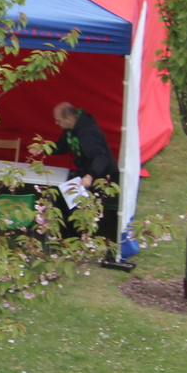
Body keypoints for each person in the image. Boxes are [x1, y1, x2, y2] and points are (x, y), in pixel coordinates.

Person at [52, 102, 131, 269]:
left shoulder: (87, 133)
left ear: (69, 118)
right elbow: (63, 146)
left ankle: (74, 240)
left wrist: (90, 176)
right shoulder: (70, 129)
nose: (56, 123)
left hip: (103, 177)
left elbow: (101, 158)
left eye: (58, 120)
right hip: (86, 172)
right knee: (60, 195)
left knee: (69, 200)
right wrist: (44, 149)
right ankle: (69, 239)